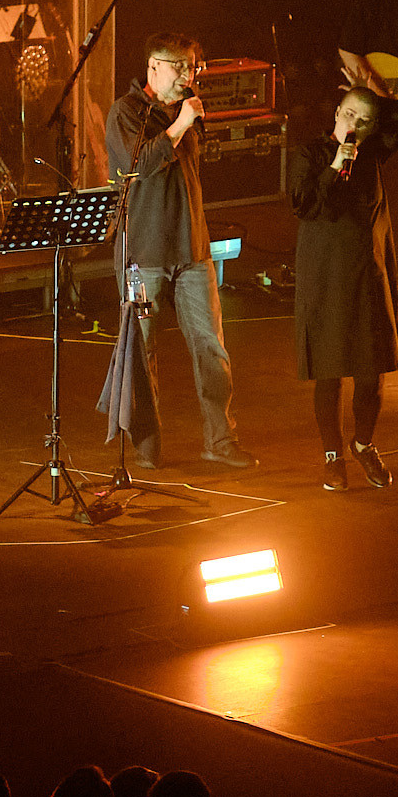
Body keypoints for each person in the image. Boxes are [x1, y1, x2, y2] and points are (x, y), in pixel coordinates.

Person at [104, 32, 254, 470]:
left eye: (193, 67)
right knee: (142, 349)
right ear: (153, 66)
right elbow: (138, 165)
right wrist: (180, 123)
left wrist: (185, 119)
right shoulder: (126, 111)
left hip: (192, 248)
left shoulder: (187, 109)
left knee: (211, 348)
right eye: (180, 67)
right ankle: (147, 444)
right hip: (143, 253)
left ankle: (220, 439)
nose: (188, 76)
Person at [292, 85, 398, 491]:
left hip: (368, 273)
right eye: (349, 115)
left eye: (364, 121)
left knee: (371, 371)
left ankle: (363, 444)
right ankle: (332, 455)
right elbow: (304, 204)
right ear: (336, 112)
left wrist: (378, 91)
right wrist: (334, 165)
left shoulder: (374, 153)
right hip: (326, 275)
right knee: (329, 372)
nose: (354, 125)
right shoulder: (311, 153)